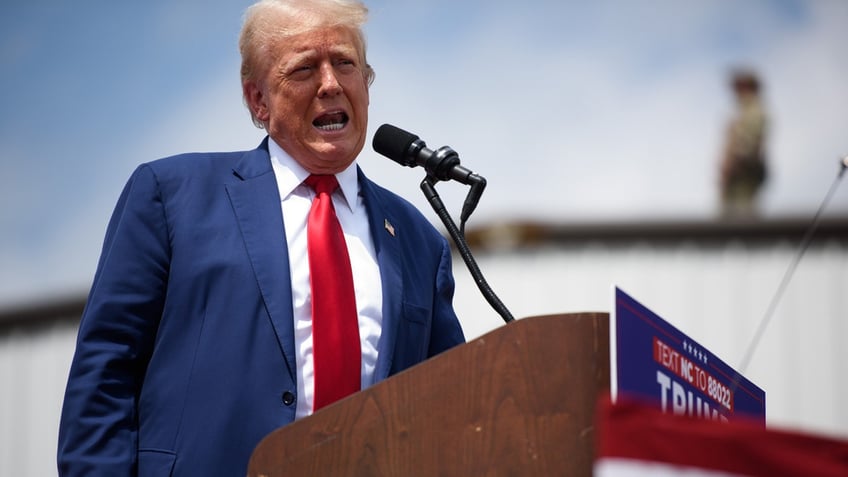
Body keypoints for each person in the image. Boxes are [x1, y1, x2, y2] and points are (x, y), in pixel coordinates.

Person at [57, 0, 465, 475]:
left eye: (345, 63)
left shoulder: (419, 239)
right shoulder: (172, 196)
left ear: (366, 83)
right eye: (305, 68)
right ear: (258, 101)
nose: (330, 83)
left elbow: (449, 403)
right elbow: (105, 372)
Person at [719, 69, 769, 218]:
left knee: (742, 216)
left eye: (740, 87)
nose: (737, 93)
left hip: (742, 175)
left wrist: (732, 166)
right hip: (736, 177)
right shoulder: (744, 112)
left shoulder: (754, 111)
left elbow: (748, 147)